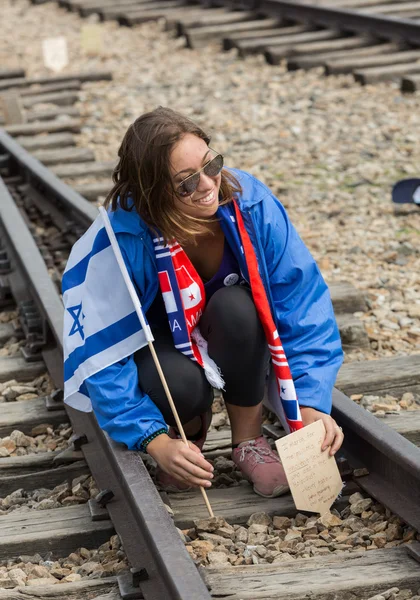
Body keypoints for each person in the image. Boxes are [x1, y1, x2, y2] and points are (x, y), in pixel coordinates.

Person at [82, 106, 344, 498]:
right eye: (185, 182)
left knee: (238, 309)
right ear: (152, 191)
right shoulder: (122, 241)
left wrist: (309, 401)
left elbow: (302, 301)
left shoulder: (250, 205)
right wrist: (153, 440)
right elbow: (101, 351)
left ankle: (248, 443)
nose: (208, 184)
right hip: (165, 355)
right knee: (178, 381)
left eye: (212, 164)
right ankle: (184, 441)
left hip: (231, 334)